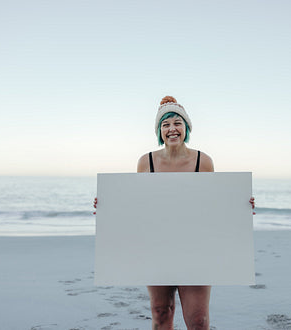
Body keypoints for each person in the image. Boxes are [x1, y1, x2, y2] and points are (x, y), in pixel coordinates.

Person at [94, 96, 255, 329]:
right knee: (161, 313)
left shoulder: (203, 161)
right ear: (159, 130)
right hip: (156, 246)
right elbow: (137, 206)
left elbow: (213, 205)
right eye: (165, 124)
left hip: (195, 247)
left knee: (198, 321)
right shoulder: (146, 162)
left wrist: (238, 207)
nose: (172, 129)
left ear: (186, 128)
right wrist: (110, 207)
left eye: (177, 123)